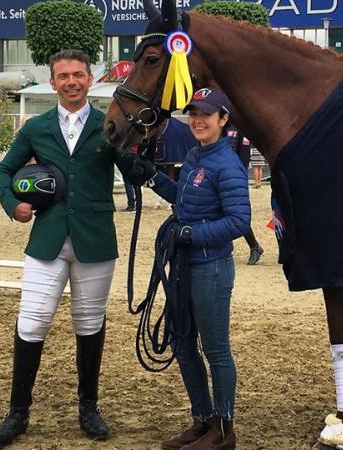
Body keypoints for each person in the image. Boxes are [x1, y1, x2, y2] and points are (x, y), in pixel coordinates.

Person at [0, 49, 141, 448]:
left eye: (78, 75)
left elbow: (134, 170)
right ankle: (18, 412)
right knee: (33, 320)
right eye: (63, 76)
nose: (71, 81)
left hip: (95, 239)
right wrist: (13, 204)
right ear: (53, 82)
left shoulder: (108, 123)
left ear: (90, 79)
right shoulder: (36, 128)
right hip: (48, 239)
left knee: (88, 323)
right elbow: (3, 171)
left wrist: (143, 149)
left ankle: (89, 407)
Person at [137, 87, 251, 450]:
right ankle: (201, 420)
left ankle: (224, 428)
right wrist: (151, 177)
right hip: (184, 265)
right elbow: (183, 198)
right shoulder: (193, 156)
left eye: (206, 113)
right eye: (193, 113)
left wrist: (192, 233)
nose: (198, 119)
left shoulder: (228, 164)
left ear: (222, 119)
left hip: (211, 267)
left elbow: (238, 220)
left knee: (215, 349)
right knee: (183, 342)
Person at [227, 125, 264, 265]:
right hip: (217, 174)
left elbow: (244, 156)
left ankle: (254, 246)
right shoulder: (219, 125)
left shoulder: (240, 128)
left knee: (237, 214)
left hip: (233, 176)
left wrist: (238, 177)